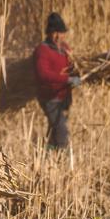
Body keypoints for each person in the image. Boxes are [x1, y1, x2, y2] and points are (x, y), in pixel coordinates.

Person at [33, 12, 81, 150]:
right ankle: (62, 161)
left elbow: (72, 65)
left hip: (63, 96)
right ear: (49, 33)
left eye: (61, 32)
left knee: (54, 130)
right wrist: (67, 79)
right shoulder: (42, 51)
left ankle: (47, 157)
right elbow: (43, 74)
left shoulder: (65, 48)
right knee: (61, 131)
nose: (58, 36)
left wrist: (78, 74)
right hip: (49, 97)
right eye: (55, 32)